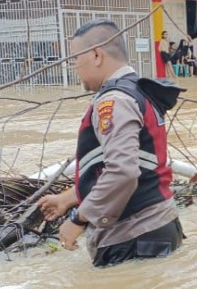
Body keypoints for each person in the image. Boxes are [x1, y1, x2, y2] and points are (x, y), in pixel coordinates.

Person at [37, 19, 185, 267]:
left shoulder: (114, 101)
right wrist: (69, 198)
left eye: (76, 59)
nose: (75, 68)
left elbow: (122, 172)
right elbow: (130, 166)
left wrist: (79, 219)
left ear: (96, 55)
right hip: (155, 230)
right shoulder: (138, 91)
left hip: (134, 239)